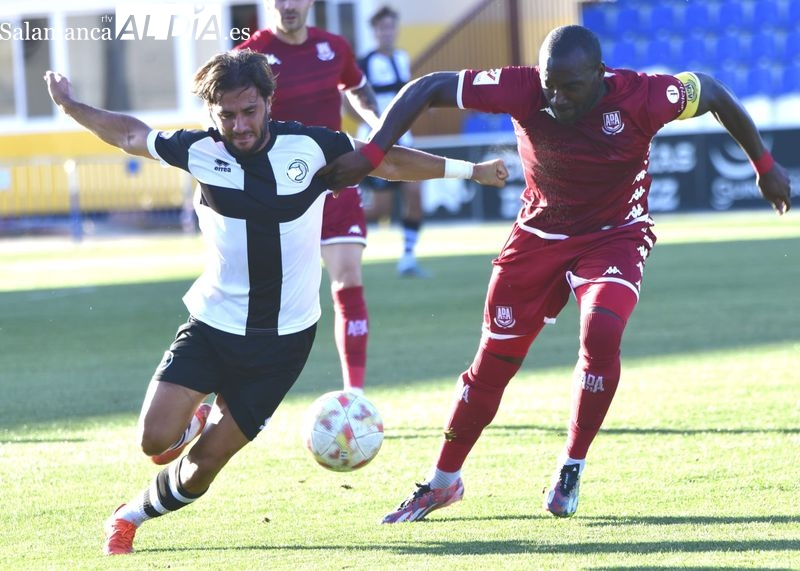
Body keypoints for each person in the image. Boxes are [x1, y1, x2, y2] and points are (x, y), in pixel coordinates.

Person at [43, 49, 508, 554]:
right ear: (212, 114)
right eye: (227, 115)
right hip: (213, 325)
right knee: (155, 441)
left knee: (205, 465)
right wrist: (70, 106)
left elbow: (388, 159)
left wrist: (472, 171)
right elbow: (130, 134)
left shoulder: (311, 147)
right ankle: (192, 419)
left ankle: (130, 516)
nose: (239, 126)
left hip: (283, 343)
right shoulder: (198, 150)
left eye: (249, 111)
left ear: (268, 102)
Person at [321, 24, 792, 523]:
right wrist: (372, 154)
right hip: (538, 237)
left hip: (615, 234)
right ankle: (442, 483)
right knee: (493, 365)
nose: (557, 97)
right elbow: (429, 86)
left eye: (571, 86)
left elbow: (714, 92)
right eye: (550, 84)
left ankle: (571, 464)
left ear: (600, 75)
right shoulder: (522, 87)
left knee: (602, 328)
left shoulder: (646, 96)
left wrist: (763, 164)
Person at [237, 0, 381, 394]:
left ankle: (355, 397)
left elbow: (358, 89)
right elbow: (223, 115)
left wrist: (381, 127)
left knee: (348, 279)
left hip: (336, 181)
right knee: (265, 298)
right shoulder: (247, 58)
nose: (287, 6)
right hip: (278, 192)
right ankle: (228, 391)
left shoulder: (333, 46)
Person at [358, 6, 428, 277]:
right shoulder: (365, 63)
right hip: (378, 142)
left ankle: (408, 259)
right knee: (380, 210)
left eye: (390, 26)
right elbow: (348, 101)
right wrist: (373, 124)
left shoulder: (402, 57)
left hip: (405, 140)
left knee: (416, 196)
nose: (386, 32)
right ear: (374, 32)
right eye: (381, 27)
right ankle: (332, 228)